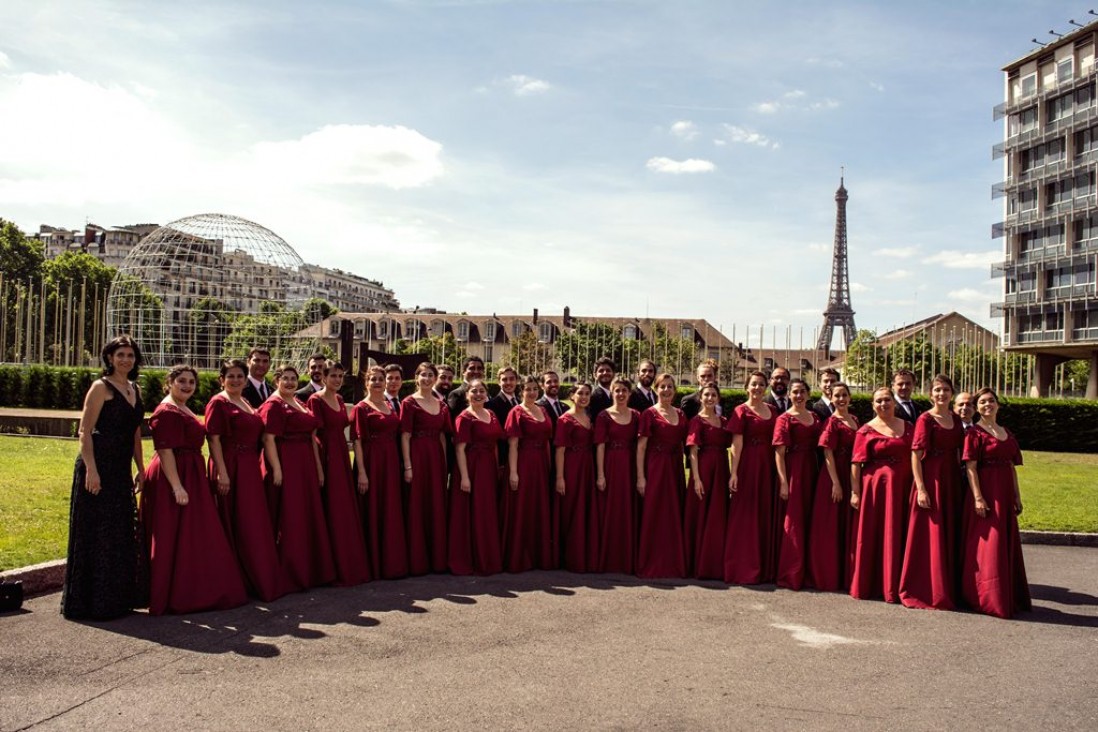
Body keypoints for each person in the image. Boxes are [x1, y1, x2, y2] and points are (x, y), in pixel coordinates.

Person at [143, 366, 247, 615]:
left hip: (190, 472)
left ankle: (191, 589)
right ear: (170, 382)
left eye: (191, 382)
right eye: (181, 381)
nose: (187, 386)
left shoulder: (183, 407)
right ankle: (172, 594)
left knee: (192, 533)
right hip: (175, 474)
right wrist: (177, 486)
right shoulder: (166, 411)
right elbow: (165, 450)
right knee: (173, 534)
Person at [62, 336, 146, 620]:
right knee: (96, 532)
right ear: (109, 358)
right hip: (97, 466)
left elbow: (136, 433)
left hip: (121, 468)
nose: (126, 359)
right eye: (120, 354)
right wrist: (91, 470)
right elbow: (84, 431)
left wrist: (141, 467)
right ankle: (91, 603)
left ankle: (117, 600)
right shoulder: (101, 387)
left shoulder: (135, 388)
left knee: (119, 533)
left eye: (130, 355)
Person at [206, 358, 284, 601]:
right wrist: (222, 472)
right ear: (222, 380)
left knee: (252, 522)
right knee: (236, 520)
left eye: (240, 376)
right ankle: (235, 579)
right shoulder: (218, 403)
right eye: (231, 376)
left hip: (250, 466)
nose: (236, 380)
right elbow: (213, 440)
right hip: (230, 465)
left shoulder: (245, 401)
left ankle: (256, 578)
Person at [258, 364, 336, 592]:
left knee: (306, 515)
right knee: (289, 516)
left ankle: (309, 568)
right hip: (286, 462)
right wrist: (278, 469)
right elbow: (268, 439)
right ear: (276, 381)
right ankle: (290, 571)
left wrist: (319, 470)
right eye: (286, 379)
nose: (291, 382)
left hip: (305, 465)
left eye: (294, 379)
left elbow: (312, 438)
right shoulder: (273, 405)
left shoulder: (299, 403)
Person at [960, 388, 1031, 619]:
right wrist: (978, 497)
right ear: (976, 407)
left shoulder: (1006, 433)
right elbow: (970, 468)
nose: (987, 405)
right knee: (988, 546)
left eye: (991, 401)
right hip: (986, 493)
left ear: (998, 405)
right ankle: (985, 596)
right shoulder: (974, 433)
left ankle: (1008, 595)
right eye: (982, 402)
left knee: (1004, 543)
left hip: (1005, 495)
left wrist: (1017, 496)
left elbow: (1011, 467)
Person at [898, 374, 963, 611]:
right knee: (929, 534)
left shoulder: (956, 420)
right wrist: (922, 489)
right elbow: (915, 455)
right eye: (937, 390)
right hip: (930, 478)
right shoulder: (925, 419)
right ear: (930, 394)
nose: (941, 394)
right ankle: (925, 587)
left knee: (948, 531)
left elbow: (958, 452)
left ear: (951, 393)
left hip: (951, 480)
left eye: (945, 390)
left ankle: (949, 585)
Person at [308, 361, 371, 586]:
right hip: (326, 456)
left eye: (340, 376)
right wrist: (318, 467)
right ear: (323, 378)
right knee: (330, 507)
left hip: (342, 456)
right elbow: (311, 436)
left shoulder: (340, 399)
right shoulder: (315, 400)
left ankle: (347, 560)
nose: (337, 379)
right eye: (333, 375)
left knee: (342, 507)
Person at [849, 386, 913, 604]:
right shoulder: (865, 430)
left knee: (900, 532)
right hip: (875, 490)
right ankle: (875, 582)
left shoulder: (909, 427)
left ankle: (898, 582)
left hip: (904, 487)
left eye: (887, 400)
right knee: (875, 534)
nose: (883, 404)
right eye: (878, 401)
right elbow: (856, 464)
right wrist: (855, 492)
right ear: (872, 405)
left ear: (894, 402)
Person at [351, 365, 408, 580]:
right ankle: (373, 561)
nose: (377, 383)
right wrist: (362, 473)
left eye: (380, 379)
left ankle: (391, 561)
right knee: (373, 508)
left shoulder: (390, 406)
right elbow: (356, 442)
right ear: (366, 383)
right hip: (371, 461)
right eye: (372, 379)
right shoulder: (360, 408)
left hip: (390, 462)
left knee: (390, 508)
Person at [724, 371, 779, 585]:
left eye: (761, 384)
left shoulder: (773, 410)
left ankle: (764, 565)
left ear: (766, 387)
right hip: (748, 465)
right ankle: (741, 565)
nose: (757, 388)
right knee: (745, 514)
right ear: (747, 387)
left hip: (768, 465)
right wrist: (734, 472)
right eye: (753, 384)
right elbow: (735, 445)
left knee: (765, 512)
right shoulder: (741, 411)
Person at [805, 382, 859, 592]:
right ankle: (826, 574)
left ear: (849, 397)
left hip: (851, 474)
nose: (841, 399)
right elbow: (827, 454)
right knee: (830, 526)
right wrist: (835, 483)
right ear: (831, 398)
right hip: (833, 476)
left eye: (844, 395)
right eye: (837, 396)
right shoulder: (830, 422)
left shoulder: (854, 419)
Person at [400, 362, 452, 575]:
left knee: (435, 505)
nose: (428, 379)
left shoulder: (442, 405)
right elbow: (405, 435)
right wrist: (408, 466)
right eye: (424, 375)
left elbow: (442, 435)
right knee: (417, 504)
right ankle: (417, 560)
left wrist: (445, 464)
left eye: (431, 375)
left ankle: (437, 558)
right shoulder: (409, 403)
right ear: (416, 377)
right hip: (417, 456)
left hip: (436, 459)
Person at [636, 373, 688, 579]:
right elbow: (641, 448)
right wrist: (641, 477)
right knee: (654, 513)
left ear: (675, 390)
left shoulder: (681, 415)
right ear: (656, 390)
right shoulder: (648, 414)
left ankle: (673, 562)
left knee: (673, 512)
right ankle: (651, 562)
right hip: (655, 468)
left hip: (674, 469)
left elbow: (685, 444)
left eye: (670, 387)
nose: (666, 390)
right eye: (662, 387)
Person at [449, 379, 504, 575]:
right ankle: (472, 558)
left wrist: (496, 468)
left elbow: (495, 444)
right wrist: (464, 477)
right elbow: (459, 449)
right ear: (467, 395)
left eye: (481, 391)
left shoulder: (491, 414)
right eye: (474, 391)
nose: (478, 394)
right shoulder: (464, 417)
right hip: (471, 467)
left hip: (488, 467)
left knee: (487, 511)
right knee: (472, 512)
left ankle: (488, 557)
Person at [773, 378, 822, 590]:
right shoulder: (784, 419)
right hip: (794, 471)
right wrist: (784, 482)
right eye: (795, 392)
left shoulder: (815, 417)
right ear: (789, 395)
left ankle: (810, 569)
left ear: (809, 394)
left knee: (812, 519)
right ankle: (791, 572)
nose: (799, 396)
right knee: (793, 521)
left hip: (812, 470)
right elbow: (779, 452)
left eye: (803, 391)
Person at [502, 376, 554, 572]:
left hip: (540, 464)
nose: (532, 392)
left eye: (534, 389)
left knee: (537, 508)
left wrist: (548, 466)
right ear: (521, 391)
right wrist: (513, 473)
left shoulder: (543, 410)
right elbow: (513, 444)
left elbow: (548, 440)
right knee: (522, 508)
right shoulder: (516, 412)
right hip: (523, 462)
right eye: (528, 389)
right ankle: (518, 556)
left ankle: (537, 555)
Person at [685, 383, 731, 580]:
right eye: (706, 395)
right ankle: (697, 562)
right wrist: (696, 479)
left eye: (714, 395)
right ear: (700, 398)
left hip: (721, 469)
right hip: (703, 468)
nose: (710, 398)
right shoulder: (696, 421)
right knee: (701, 513)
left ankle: (714, 562)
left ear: (718, 398)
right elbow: (693, 452)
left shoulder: (724, 420)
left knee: (718, 513)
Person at [595, 377, 639, 574]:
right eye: (617, 390)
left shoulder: (637, 416)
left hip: (630, 466)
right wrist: (601, 474)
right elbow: (600, 446)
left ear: (630, 393)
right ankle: (609, 558)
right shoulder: (604, 416)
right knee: (610, 509)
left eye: (624, 390)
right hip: (611, 465)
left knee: (628, 509)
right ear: (611, 392)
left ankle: (627, 557)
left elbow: (641, 447)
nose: (620, 394)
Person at [556, 382, 599, 572]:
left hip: (587, 467)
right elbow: (559, 451)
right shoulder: (565, 419)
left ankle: (584, 553)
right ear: (572, 395)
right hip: (571, 467)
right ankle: (571, 557)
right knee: (572, 509)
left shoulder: (589, 417)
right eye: (580, 393)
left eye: (587, 393)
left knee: (585, 508)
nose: (583, 397)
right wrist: (560, 477)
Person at [487, 365, 521, 465]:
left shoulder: (521, 403)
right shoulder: (491, 405)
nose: (508, 382)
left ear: (517, 381)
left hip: (522, 455)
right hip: (503, 457)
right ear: (499, 382)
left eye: (511, 379)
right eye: (504, 379)